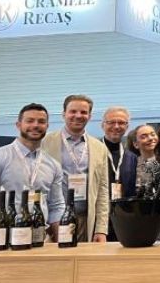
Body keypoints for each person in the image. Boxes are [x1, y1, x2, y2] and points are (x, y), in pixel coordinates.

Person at [0, 104, 66, 236]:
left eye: (41, 121)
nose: (36, 125)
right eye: (30, 121)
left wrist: (60, 241)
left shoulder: (53, 165)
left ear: (47, 126)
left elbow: (56, 206)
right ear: (18, 125)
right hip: (3, 236)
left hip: (39, 237)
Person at [40, 95, 109, 243]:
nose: (78, 116)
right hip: (54, 221)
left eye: (83, 112)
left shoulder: (100, 148)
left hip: (85, 220)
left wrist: (101, 229)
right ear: (63, 114)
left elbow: (103, 190)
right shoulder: (45, 143)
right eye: (73, 111)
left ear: (90, 116)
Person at [101, 106, 137, 204]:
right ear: (103, 125)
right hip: (98, 210)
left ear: (127, 127)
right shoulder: (92, 152)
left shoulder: (131, 157)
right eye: (111, 122)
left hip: (124, 211)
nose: (116, 126)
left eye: (121, 123)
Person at [128, 124, 160, 195]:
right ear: (136, 144)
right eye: (144, 137)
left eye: (153, 134)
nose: (150, 138)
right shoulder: (131, 165)